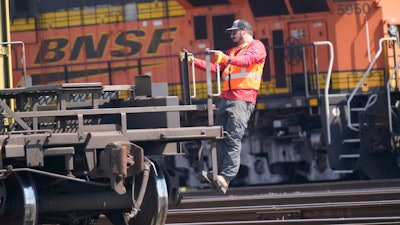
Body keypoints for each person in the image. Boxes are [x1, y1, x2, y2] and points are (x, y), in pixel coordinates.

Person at [182, 19, 267, 193]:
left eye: (234, 32)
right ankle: (215, 173)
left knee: (233, 138)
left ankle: (226, 177)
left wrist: (227, 58)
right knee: (219, 137)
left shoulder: (257, 46)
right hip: (226, 98)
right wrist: (193, 61)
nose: (231, 35)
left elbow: (248, 60)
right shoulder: (233, 51)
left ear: (244, 31)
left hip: (242, 99)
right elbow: (215, 68)